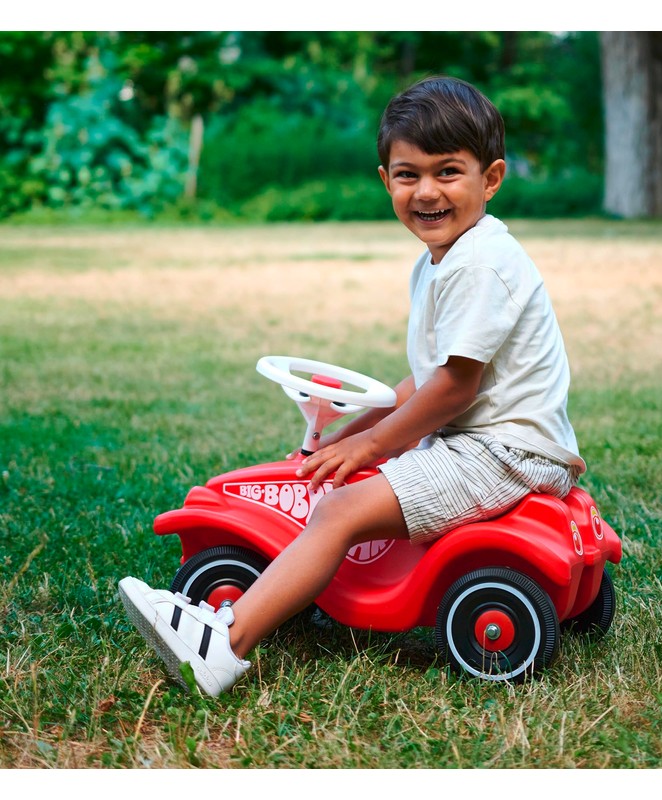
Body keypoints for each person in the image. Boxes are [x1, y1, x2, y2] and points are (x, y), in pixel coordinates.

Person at [118, 76, 586, 697]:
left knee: (337, 511)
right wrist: (350, 434)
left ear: (491, 178)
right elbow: (423, 381)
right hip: (497, 444)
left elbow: (453, 389)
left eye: (448, 172)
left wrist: (370, 447)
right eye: (408, 174)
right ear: (386, 180)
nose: (427, 192)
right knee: (353, 477)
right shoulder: (447, 258)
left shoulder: (478, 265)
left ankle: (222, 645)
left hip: (499, 453)